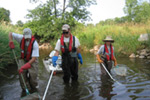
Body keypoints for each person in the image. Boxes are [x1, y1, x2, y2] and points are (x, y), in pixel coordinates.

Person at [8, 28, 39, 97]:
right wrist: (11, 41)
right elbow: (10, 33)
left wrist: (24, 67)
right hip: (23, 59)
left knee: (33, 77)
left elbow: (34, 58)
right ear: (23, 35)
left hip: (32, 59)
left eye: (28, 37)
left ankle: (34, 90)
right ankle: (26, 90)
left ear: (31, 35)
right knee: (21, 74)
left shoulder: (35, 44)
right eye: (26, 37)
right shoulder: (20, 38)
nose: (27, 39)